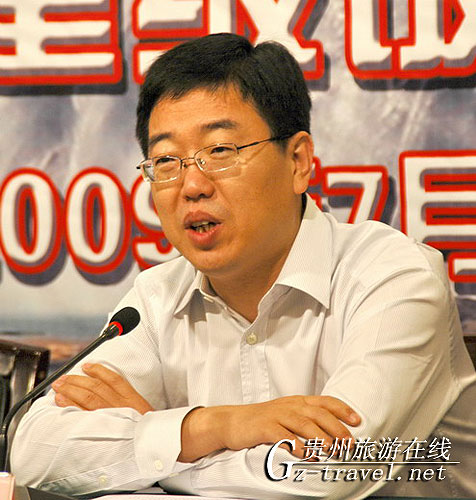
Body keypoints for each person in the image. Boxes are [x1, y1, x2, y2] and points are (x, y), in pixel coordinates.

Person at [11, 33, 476, 499]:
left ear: (298, 162)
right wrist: (214, 426)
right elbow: (36, 450)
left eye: (220, 151)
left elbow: (327, 471)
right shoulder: (155, 300)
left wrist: (160, 443)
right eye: (166, 160)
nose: (192, 185)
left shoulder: (394, 277)